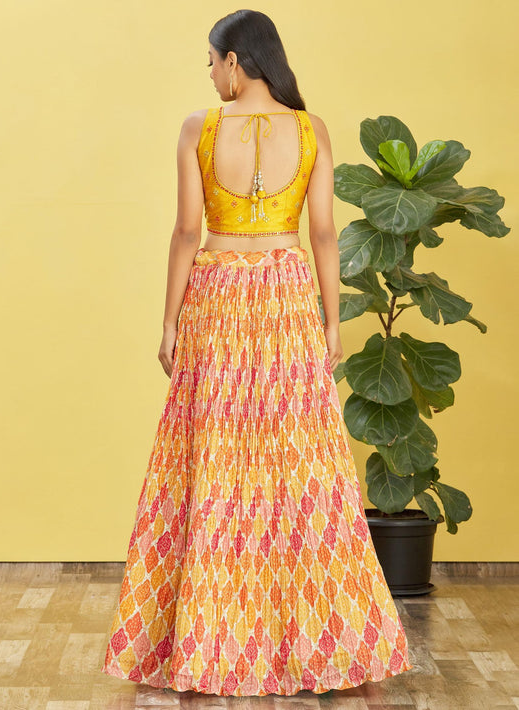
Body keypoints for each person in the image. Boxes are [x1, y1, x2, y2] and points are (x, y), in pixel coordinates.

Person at [100, 9, 414, 697]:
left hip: (216, 296)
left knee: (212, 459)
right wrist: (332, 324)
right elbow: (324, 235)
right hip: (288, 296)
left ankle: (210, 640)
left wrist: (168, 323)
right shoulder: (311, 129)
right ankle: (311, 643)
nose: (210, 74)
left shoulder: (199, 129)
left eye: (212, 61)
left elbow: (187, 232)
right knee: (298, 463)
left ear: (236, 61)